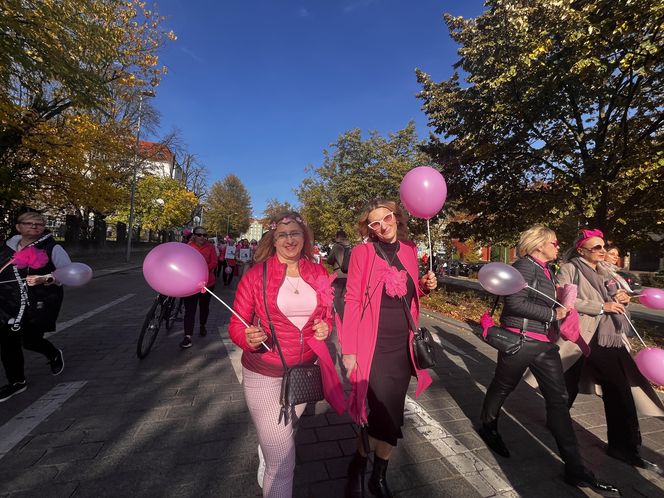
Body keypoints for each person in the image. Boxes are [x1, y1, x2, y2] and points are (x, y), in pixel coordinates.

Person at [478, 225, 620, 496]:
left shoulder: (544, 269)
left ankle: (575, 468)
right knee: (502, 386)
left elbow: (536, 299)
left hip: (542, 344)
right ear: (538, 244)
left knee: (558, 400)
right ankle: (488, 425)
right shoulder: (525, 266)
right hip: (520, 340)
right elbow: (515, 305)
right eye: (553, 243)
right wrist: (553, 315)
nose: (557, 246)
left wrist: (559, 303)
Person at [228, 211, 337, 498]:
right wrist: (248, 338)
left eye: (295, 233)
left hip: (303, 372)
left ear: (305, 237)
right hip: (263, 371)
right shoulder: (255, 276)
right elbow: (237, 324)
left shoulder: (319, 273)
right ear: (273, 240)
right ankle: (272, 460)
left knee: (281, 437)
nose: (290, 239)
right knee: (284, 458)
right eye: (282, 235)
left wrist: (327, 328)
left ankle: (267, 449)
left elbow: (328, 315)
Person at [340, 199, 437, 498]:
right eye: (374, 223)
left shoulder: (409, 249)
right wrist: (349, 349)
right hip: (374, 344)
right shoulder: (363, 253)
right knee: (382, 412)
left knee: (391, 412)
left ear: (397, 217)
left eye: (387, 218)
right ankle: (360, 464)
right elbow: (353, 299)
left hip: (402, 345)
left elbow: (409, 292)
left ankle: (375, 473)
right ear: (368, 229)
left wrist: (425, 285)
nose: (382, 225)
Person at [559, 228, 664, 476]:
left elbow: (618, 295)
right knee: (613, 388)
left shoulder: (606, 270)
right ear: (581, 249)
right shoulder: (571, 269)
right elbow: (564, 300)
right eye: (597, 247)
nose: (603, 251)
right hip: (584, 337)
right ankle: (619, 445)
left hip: (611, 337)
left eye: (603, 247)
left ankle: (622, 446)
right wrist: (601, 306)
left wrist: (622, 297)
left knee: (579, 385)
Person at [0, 212, 69, 402]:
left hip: (39, 302)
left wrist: (45, 278)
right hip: (8, 303)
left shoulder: (52, 248)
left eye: (39, 223)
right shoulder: (6, 248)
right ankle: (17, 382)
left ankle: (53, 353)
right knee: (7, 341)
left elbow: (68, 272)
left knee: (30, 340)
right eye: (29, 223)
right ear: (18, 227)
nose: (34, 226)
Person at [179, 226, 217, 349]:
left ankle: (202, 325)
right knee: (190, 310)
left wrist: (202, 270)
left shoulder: (210, 247)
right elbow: (182, 262)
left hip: (207, 283)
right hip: (190, 284)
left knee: (204, 307)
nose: (202, 237)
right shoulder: (188, 247)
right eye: (199, 234)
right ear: (194, 235)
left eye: (204, 235)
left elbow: (214, 262)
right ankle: (187, 336)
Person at [327, 229, 351, 320]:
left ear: (337, 237)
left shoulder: (336, 246)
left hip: (339, 275)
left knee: (337, 297)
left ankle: (341, 319)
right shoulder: (349, 246)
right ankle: (347, 317)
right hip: (348, 275)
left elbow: (329, 260)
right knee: (345, 297)